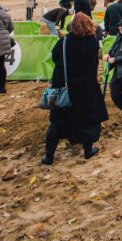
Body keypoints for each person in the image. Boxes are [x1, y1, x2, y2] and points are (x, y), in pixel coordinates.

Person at [42, 13, 109, 165]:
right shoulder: (91, 43)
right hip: (84, 86)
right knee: (86, 120)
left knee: (57, 122)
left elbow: (54, 57)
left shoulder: (64, 42)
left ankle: (48, 156)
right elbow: (93, 64)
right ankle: (87, 150)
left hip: (63, 86)